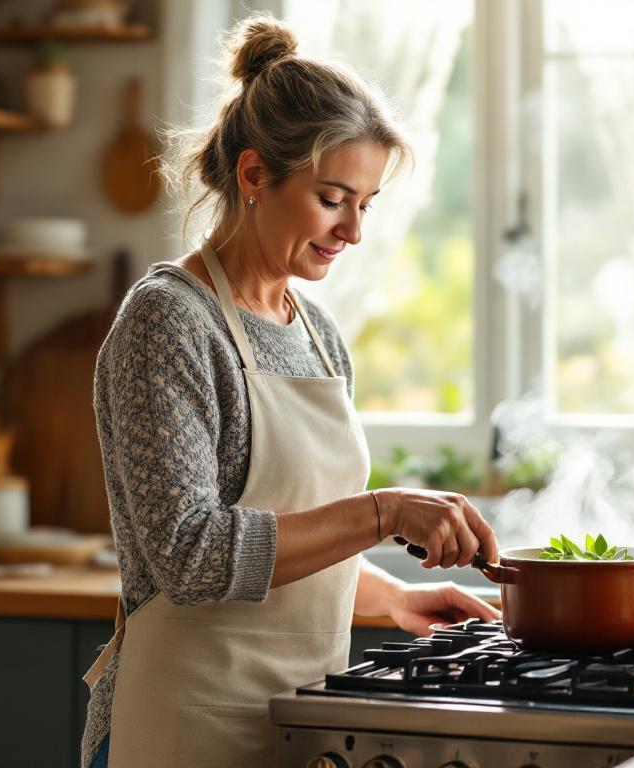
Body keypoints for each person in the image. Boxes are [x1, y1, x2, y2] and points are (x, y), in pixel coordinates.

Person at [80, 14, 501, 768]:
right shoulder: (169, 322)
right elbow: (193, 556)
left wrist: (390, 598)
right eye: (334, 198)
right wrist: (386, 511)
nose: (353, 231)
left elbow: (290, 540)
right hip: (184, 725)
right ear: (252, 176)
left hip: (303, 727)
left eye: (366, 204)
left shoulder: (315, 331)